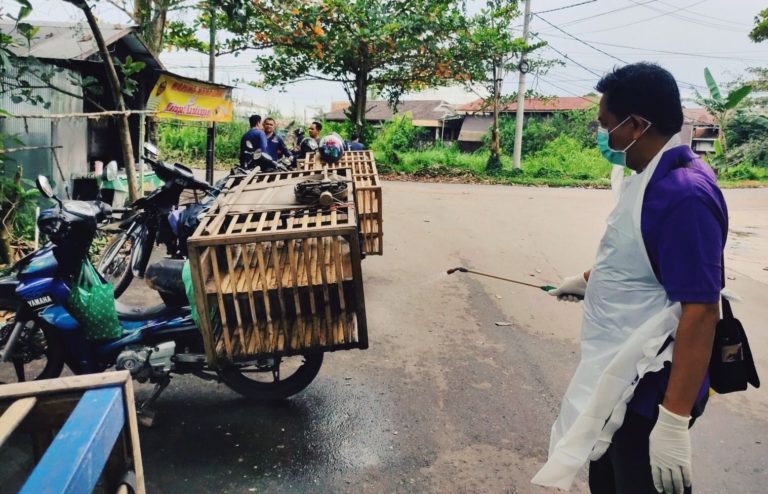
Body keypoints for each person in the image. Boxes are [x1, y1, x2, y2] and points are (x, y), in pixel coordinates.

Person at [532, 63, 727, 494]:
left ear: (636, 125)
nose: (604, 137)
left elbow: (701, 310)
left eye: (606, 126)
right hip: (619, 375)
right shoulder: (648, 177)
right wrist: (586, 281)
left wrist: (673, 422)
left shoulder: (685, 196)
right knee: (606, 476)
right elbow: (633, 252)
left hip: (652, 389)